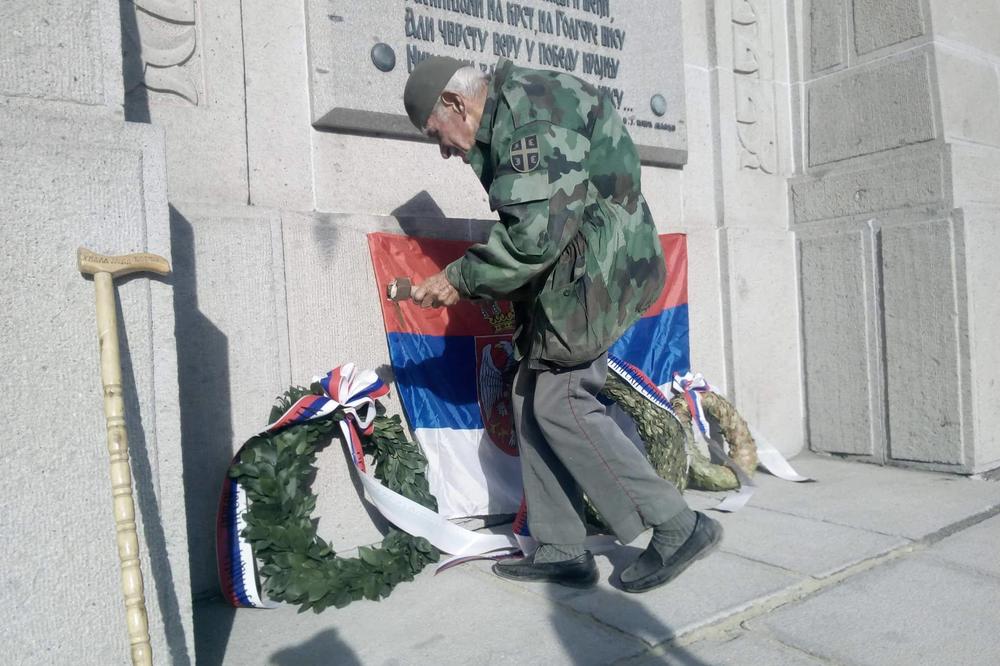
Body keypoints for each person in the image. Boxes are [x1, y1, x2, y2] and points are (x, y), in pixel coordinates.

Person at [403, 56, 722, 592]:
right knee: (532, 394)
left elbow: (534, 236)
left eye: (438, 133)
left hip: (598, 272)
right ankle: (561, 546)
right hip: (579, 271)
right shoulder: (512, 110)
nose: (445, 150)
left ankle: (678, 524)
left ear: (457, 103)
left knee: (563, 400)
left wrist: (459, 277)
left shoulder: (529, 114)